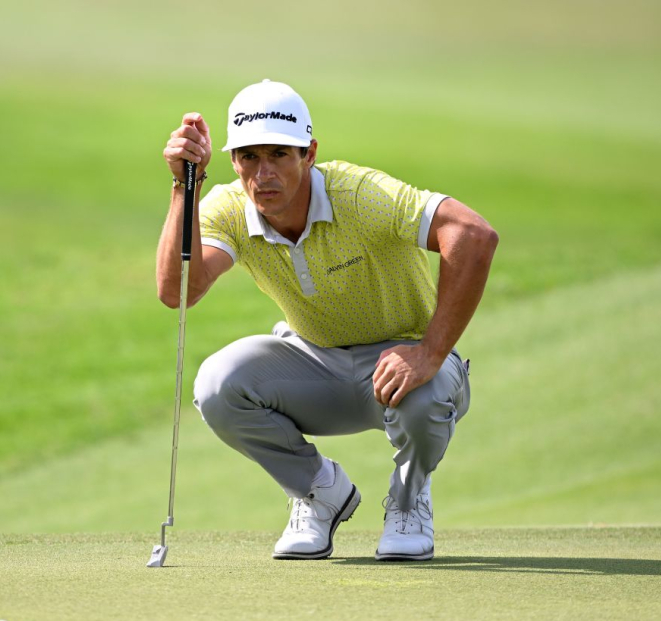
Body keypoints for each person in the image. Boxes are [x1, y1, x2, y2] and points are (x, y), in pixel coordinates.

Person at [156, 80, 497, 561]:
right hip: (315, 365)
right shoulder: (230, 209)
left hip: (407, 368)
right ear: (233, 162)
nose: (263, 174)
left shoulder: (360, 194)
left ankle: (409, 499)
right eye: (249, 157)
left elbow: (472, 233)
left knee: (428, 393)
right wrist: (182, 186)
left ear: (309, 153)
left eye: (279, 154)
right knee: (218, 383)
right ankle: (320, 493)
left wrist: (430, 352)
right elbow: (178, 291)